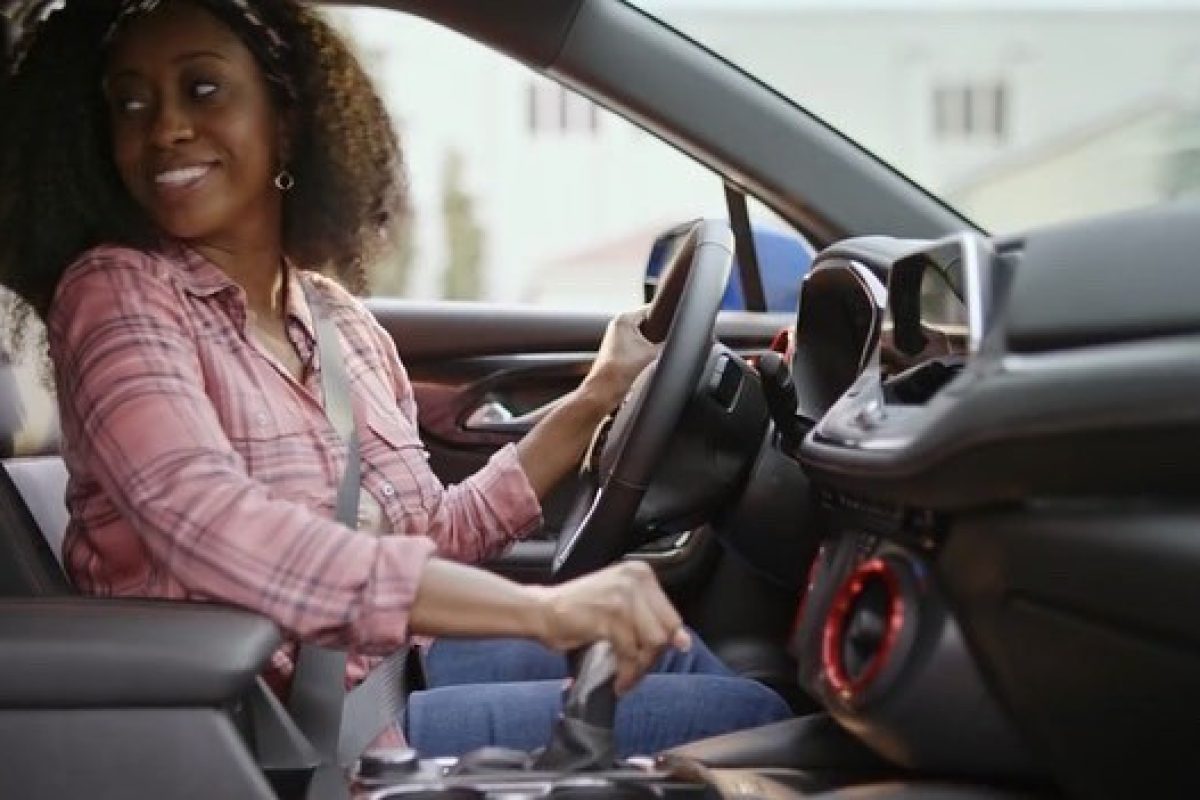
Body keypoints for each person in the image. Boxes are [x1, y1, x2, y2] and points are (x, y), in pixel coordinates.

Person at [0, 0, 790, 759]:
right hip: (277, 740)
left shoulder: (336, 321)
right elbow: (211, 523)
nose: (165, 128)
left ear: (287, 122)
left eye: (202, 89)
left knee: (675, 659)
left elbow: (430, 535)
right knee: (747, 719)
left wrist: (595, 398)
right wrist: (541, 612)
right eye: (129, 106)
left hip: (387, 673)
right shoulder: (114, 295)